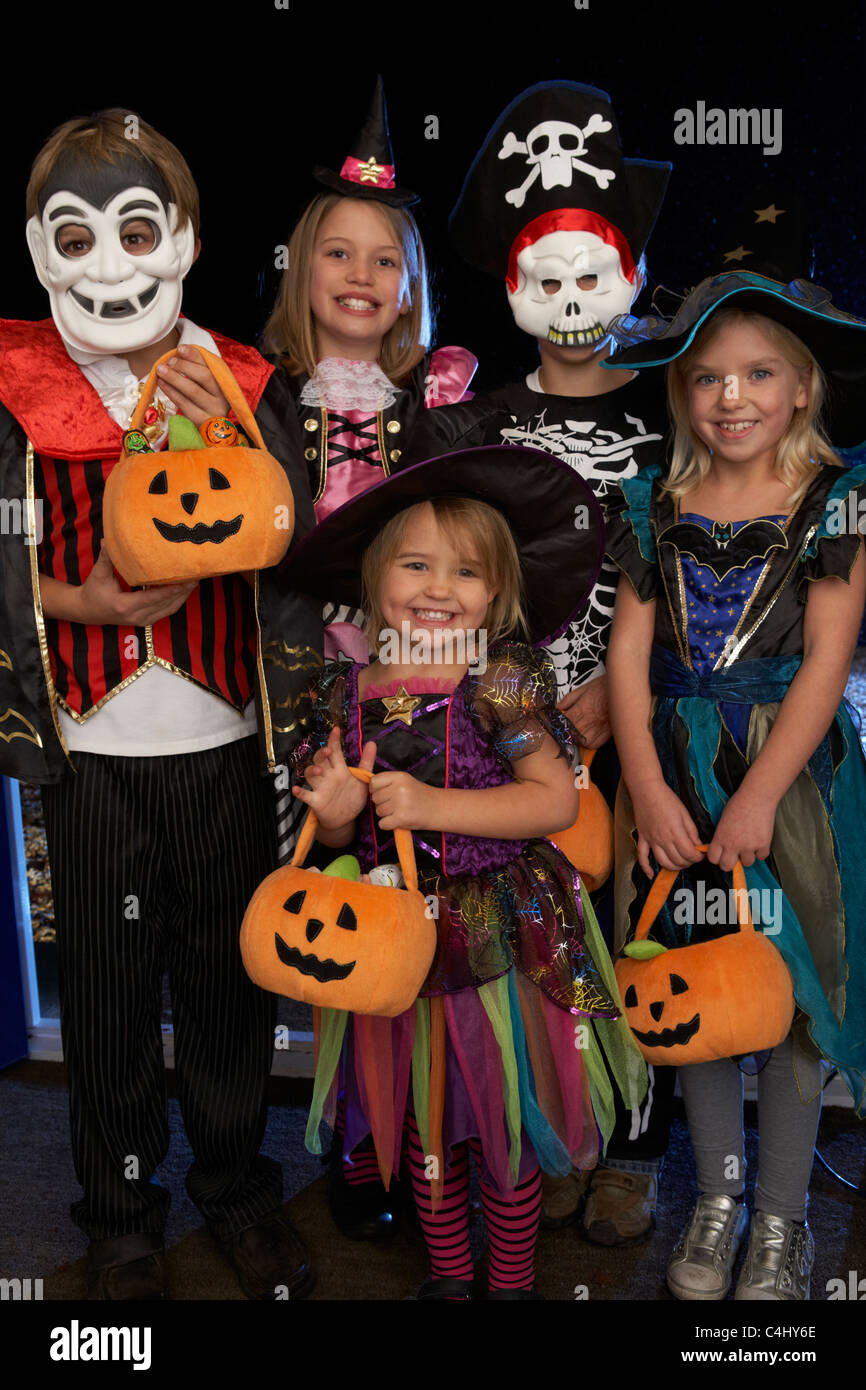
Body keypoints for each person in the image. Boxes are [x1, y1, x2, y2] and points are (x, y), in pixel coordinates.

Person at [0, 109, 321, 1299]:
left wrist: (238, 431)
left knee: (228, 987)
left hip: (225, 742)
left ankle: (238, 1193)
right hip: (87, 747)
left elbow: (304, 545)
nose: (111, 263)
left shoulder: (244, 380)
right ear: (41, 252)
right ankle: (123, 1215)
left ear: (182, 238)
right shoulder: (13, 387)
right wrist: (68, 603)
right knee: (106, 993)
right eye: (75, 236)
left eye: (137, 228)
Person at [400, 79, 675, 1244]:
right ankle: (545, 1127)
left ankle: (633, 1146)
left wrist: (609, 710)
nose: (569, 301)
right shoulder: (473, 421)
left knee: (633, 928)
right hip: (505, 730)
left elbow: (668, 571)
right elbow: (454, 574)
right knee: (528, 943)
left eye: (590, 275)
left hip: (632, 720)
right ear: (514, 292)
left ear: (629, 285)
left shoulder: (670, 413)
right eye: (544, 279)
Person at [285, 446, 647, 1298]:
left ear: (497, 594)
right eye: (416, 564)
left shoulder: (503, 681)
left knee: (501, 1120)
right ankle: (450, 1274)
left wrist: (430, 806)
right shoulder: (344, 692)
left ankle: (511, 1279)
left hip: (497, 937)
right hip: (391, 944)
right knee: (424, 1123)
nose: (439, 588)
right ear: (377, 577)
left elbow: (552, 803)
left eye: (466, 572)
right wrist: (336, 802)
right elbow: (338, 824)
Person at [605, 244, 866, 1299]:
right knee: (694, 986)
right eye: (708, 376)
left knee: (790, 999)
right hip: (671, 768)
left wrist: (758, 793)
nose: (731, 396)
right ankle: (713, 1201)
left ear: (800, 385)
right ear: (680, 391)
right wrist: (649, 788)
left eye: (759, 373)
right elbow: (627, 655)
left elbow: (825, 661)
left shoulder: (836, 503)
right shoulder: (647, 502)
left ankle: (780, 1218)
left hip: (786, 782)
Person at [262, 76, 476, 665]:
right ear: (302, 272)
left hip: (404, 656)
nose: (361, 275)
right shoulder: (263, 394)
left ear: (408, 291)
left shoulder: (439, 394)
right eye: (338, 254)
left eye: (385, 262)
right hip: (284, 646)